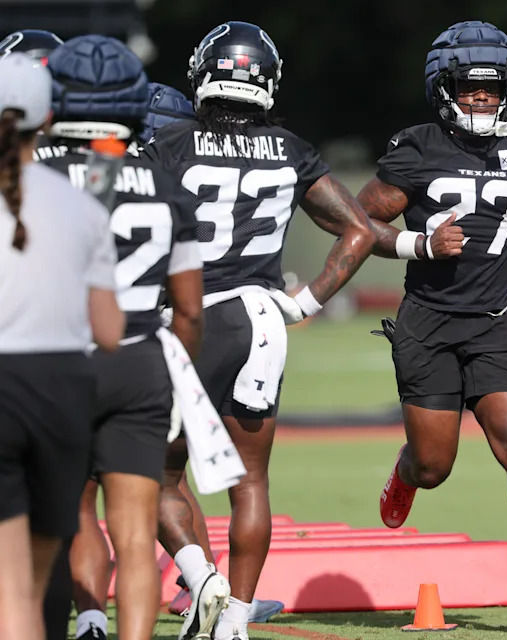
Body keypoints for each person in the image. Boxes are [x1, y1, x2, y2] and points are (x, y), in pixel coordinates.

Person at [142, 21, 375, 640]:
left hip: (188, 318)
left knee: (152, 471)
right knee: (252, 482)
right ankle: (235, 621)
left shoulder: (170, 146)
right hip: (264, 321)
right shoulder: (291, 149)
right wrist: (305, 302)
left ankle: (204, 582)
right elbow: (360, 231)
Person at [358, 20, 507, 605]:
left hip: (498, 318)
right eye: (468, 86)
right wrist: (418, 243)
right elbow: (358, 223)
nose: (481, 97)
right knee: (434, 464)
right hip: (429, 320)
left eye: (491, 87)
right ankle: (404, 475)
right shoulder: (417, 147)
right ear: (444, 87)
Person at [42, 35, 206, 640]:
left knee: (54, 520)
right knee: (136, 533)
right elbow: (188, 311)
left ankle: (82, 623)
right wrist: (171, 383)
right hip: (140, 363)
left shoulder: (31, 177)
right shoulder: (166, 183)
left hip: (57, 363)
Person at [0, 52, 124, 640]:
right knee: (37, 583)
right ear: (47, 116)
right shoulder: (84, 204)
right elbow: (108, 332)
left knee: (9, 587)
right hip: (64, 394)